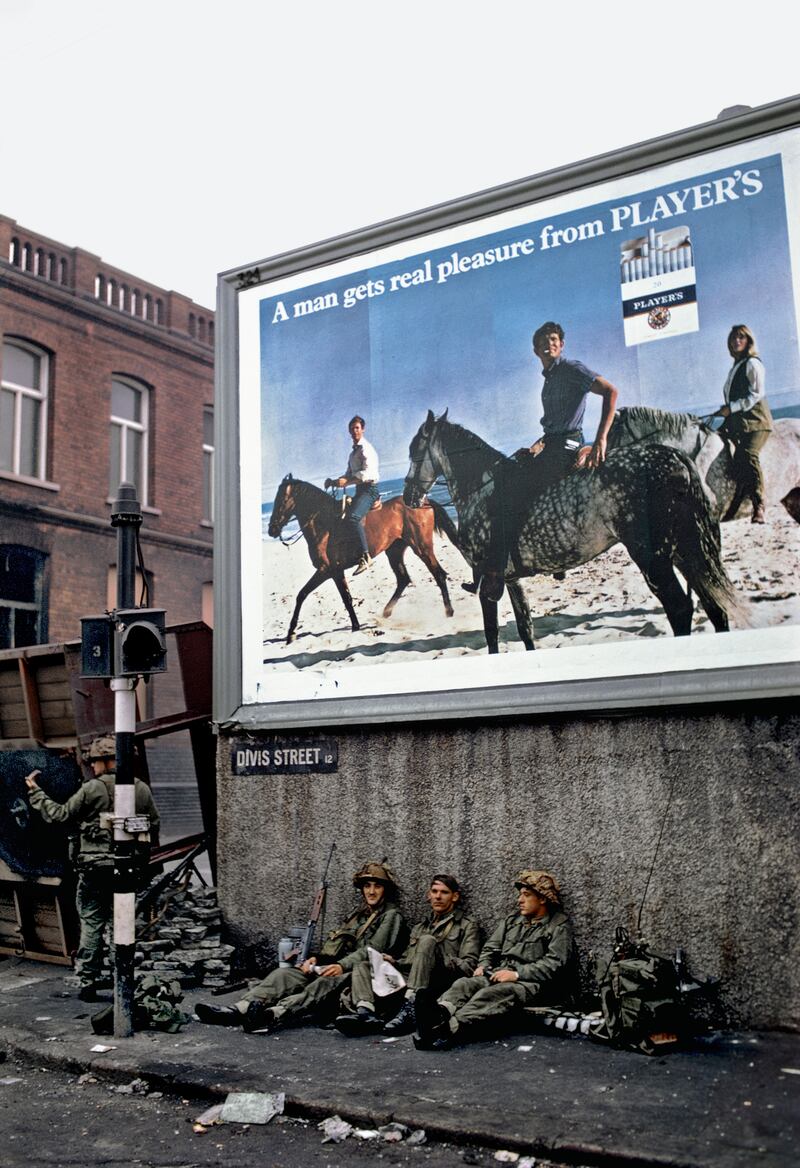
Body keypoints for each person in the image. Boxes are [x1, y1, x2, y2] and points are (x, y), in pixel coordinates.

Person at [477, 322, 619, 601]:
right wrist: (535, 447)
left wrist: (601, 439)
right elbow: (551, 429)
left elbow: (611, 392)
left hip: (567, 446)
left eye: (554, 339)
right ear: (535, 350)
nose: (549, 344)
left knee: (517, 492)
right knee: (507, 473)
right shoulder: (550, 379)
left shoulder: (571, 369)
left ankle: (500, 571)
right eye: (543, 341)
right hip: (552, 444)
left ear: (561, 345)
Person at [194, 860, 408, 1033]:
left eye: (377, 886)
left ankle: (274, 1014)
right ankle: (239, 1009)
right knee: (285, 975)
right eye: (367, 886)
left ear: (385, 890)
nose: (371, 891)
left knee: (322, 984)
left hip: (360, 975)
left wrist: (340, 966)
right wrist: (317, 959)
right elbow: (337, 946)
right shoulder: (359, 915)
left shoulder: (391, 916)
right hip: (337, 966)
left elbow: (372, 950)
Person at [25, 735, 160, 1002]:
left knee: (91, 922)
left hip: (94, 869)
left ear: (106, 760)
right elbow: (153, 826)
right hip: (127, 869)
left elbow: (59, 814)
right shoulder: (140, 788)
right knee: (121, 923)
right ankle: (123, 978)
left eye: (95, 761)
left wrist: (35, 791)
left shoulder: (92, 788)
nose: (93, 767)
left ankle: (88, 981)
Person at [414, 869, 577, 1050]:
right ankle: (439, 1013)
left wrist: (515, 974)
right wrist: (484, 965)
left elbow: (555, 964)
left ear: (543, 899)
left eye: (526, 895)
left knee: (491, 995)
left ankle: (448, 1029)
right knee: (465, 984)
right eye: (520, 895)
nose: (519, 900)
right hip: (501, 974)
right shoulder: (512, 921)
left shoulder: (558, 925)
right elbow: (491, 947)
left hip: (535, 985)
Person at [334, 872, 482, 1037]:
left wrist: (436, 955)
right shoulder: (420, 926)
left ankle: (410, 1009)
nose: (438, 897)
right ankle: (366, 1014)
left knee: (427, 941)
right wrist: (393, 961)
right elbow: (407, 960)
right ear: (429, 895)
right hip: (410, 978)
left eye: (444, 892)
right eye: (434, 892)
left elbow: (469, 966)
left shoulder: (467, 925)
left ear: (455, 897)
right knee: (363, 965)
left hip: (440, 979)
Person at [713, 324, 773, 524]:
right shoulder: (736, 366)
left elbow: (756, 394)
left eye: (741, 337)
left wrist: (732, 407)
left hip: (757, 421)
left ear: (748, 341)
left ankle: (759, 505)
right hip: (740, 422)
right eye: (733, 338)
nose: (736, 341)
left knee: (748, 454)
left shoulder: (752, 363)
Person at [324, 414, 380, 575]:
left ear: (362, 429)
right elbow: (348, 473)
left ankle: (366, 557)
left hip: (370, 489)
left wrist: (347, 483)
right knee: (340, 517)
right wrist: (334, 482)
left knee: (353, 517)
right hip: (360, 490)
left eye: (357, 428)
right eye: (352, 428)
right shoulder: (352, 454)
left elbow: (368, 474)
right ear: (349, 431)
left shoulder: (366, 449)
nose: (354, 431)